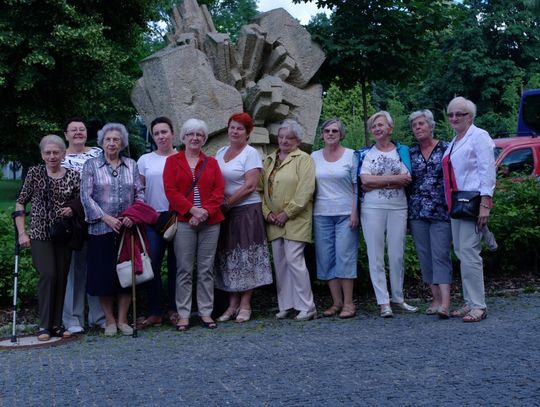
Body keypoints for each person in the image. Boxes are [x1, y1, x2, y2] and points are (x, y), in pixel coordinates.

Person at [81, 123, 144, 336]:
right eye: (108, 139)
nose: (112, 143)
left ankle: (123, 319)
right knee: (103, 275)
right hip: (100, 229)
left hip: (127, 230)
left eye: (116, 139)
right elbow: (85, 197)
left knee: (125, 274)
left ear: (122, 143)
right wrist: (106, 218)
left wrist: (131, 216)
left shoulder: (131, 164)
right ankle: (109, 320)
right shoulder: (91, 166)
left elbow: (140, 194)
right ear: (102, 142)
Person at [15, 135, 80, 341]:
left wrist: (71, 208)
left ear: (63, 153)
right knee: (48, 274)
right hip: (39, 233)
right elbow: (20, 203)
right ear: (42, 154)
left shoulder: (73, 175)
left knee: (61, 278)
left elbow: (80, 201)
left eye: (56, 152)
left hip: (63, 233)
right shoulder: (34, 173)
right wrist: (22, 232)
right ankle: (43, 325)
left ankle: (56, 324)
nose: (52, 156)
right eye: (48, 152)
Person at [163, 119, 224, 331]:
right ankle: (183, 314)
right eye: (190, 134)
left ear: (204, 139)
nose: (195, 138)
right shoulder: (172, 162)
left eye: (199, 134)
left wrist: (204, 212)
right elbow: (171, 191)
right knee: (184, 270)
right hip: (184, 221)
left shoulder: (213, 163)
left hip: (210, 222)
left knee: (206, 269)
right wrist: (192, 210)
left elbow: (219, 192)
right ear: (183, 138)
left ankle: (206, 312)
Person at [356, 111, 418, 318]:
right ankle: (383, 302)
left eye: (381, 125)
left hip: (398, 207)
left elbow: (407, 178)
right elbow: (365, 181)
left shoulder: (402, 151)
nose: (377, 128)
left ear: (390, 128)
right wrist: (394, 180)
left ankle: (398, 297)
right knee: (376, 255)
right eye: (374, 126)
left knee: (397, 254)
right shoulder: (365, 153)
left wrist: (378, 181)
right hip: (372, 208)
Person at [214, 113, 273, 323]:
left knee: (247, 256)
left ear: (248, 133)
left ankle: (246, 304)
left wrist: (227, 204)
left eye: (240, 128)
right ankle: (232, 304)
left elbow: (249, 186)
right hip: (225, 212)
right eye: (232, 127)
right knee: (229, 256)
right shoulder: (221, 152)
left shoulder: (251, 153)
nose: (235, 131)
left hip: (246, 210)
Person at [442, 96, 496, 323]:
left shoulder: (479, 136)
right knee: (462, 253)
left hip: (472, 202)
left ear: (470, 117)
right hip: (457, 204)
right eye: (451, 114)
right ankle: (469, 301)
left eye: (459, 114)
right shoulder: (455, 140)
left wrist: (485, 204)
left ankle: (478, 305)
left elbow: (487, 171)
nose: (454, 118)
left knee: (470, 253)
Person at [261, 119, 317, 321]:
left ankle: (307, 306)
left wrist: (287, 212)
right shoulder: (269, 159)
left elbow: (305, 191)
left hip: (295, 219)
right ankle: (286, 304)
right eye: (281, 136)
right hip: (274, 220)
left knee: (295, 260)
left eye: (289, 137)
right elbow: (261, 191)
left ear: (298, 140)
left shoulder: (304, 159)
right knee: (280, 263)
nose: (283, 140)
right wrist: (267, 213)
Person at [61, 117, 105, 334]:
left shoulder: (98, 153)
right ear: (66, 135)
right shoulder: (59, 156)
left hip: (99, 217)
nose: (78, 132)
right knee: (75, 270)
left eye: (82, 129)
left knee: (97, 267)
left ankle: (99, 316)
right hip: (73, 220)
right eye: (73, 130)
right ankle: (74, 318)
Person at [311, 118, 359, 319]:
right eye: (327, 131)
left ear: (341, 135)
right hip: (321, 214)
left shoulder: (351, 155)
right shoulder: (313, 156)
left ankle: (349, 303)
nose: (330, 134)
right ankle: (336, 302)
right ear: (322, 134)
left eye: (335, 131)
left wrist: (355, 211)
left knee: (345, 257)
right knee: (326, 258)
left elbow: (358, 186)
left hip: (345, 214)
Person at [408, 110, 453, 319]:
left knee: (441, 254)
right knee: (425, 256)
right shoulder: (410, 153)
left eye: (421, 124)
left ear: (431, 126)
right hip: (417, 211)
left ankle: (445, 302)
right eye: (414, 125)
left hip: (440, 210)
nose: (417, 127)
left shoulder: (446, 148)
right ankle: (434, 298)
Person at [136, 117, 178, 327]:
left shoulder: (182, 156)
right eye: (157, 133)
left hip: (178, 217)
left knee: (177, 266)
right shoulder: (145, 160)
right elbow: (139, 191)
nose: (161, 136)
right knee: (151, 265)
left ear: (172, 133)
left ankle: (175, 309)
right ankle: (154, 312)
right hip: (153, 217)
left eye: (164, 132)